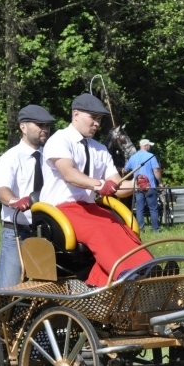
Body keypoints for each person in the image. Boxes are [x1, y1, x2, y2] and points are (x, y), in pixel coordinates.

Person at [39, 93, 153, 287]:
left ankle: (147, 267)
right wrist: (99, 184)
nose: (97, 124)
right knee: (98, 229)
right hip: (60, 209)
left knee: (121, 228)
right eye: (93, 117)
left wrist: (135, 185)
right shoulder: (59, 140)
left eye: (99, 119)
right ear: (76, 114)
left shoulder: (99, 149)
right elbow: (69, 174)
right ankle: (126, 273)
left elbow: (116, 185)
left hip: (88, 207)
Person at [0, 104, 54, 287]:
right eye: (40, 125)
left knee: (43, 288)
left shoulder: (51, 159)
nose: (45, 129)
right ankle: (0, 315)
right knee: (9, 289)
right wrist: (15, 201)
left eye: (47, 126)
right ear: (23, 127)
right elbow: (2, 190)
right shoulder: (10, 158)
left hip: (47, 233)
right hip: (17, 232)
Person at [125, 138, 163, 233]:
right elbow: (156, 171)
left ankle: (141, 229)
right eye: (149, 145)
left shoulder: (133, 157)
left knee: (139, 209)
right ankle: (155, 229)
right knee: (153, 208)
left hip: (138, 187)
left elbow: (125, 170)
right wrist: (160, 182)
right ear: (145, 146)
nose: (150, 147)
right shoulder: (151, 156)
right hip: (150, 186)